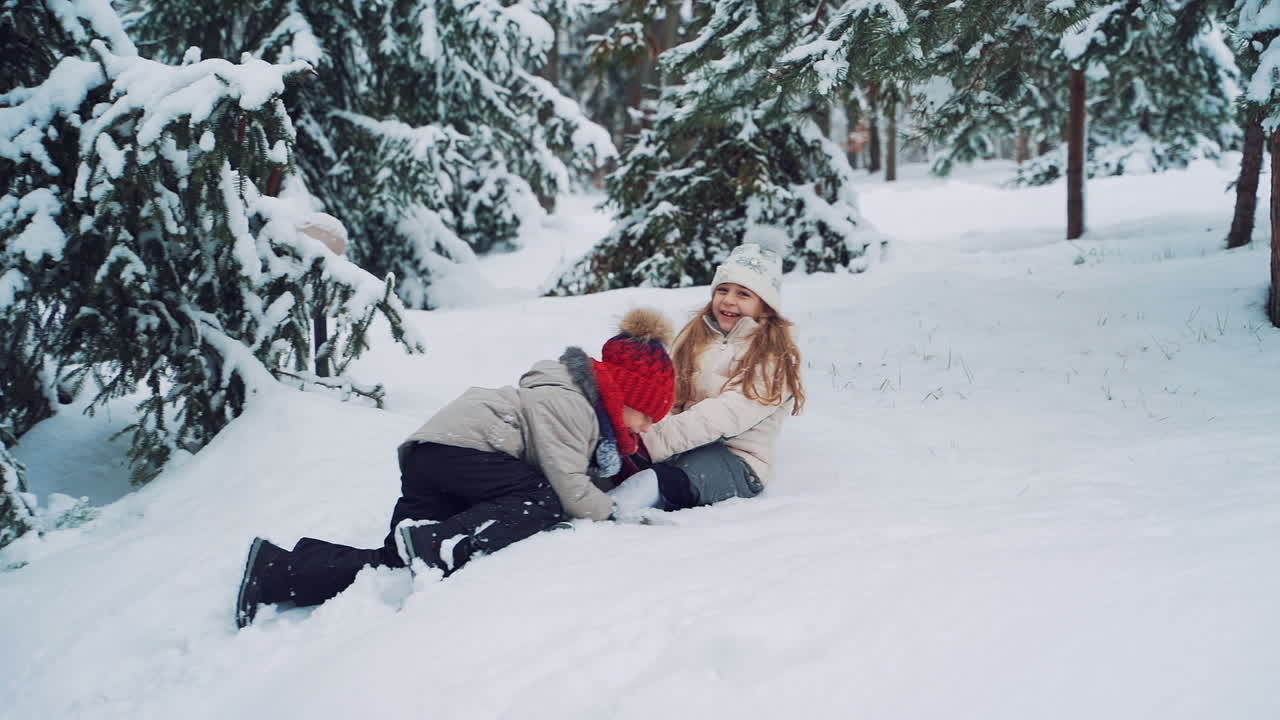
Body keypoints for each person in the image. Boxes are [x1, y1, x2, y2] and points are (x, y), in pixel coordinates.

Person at [235, 308, 675, 628]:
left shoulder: (581, 407)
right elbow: (569, 486)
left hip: (437, 456)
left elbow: (583, 467)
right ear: (628, 398)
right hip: (459, 453)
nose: (649, 425)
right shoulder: (572, 406)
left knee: (396, 563)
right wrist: (616, 515)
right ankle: (435, 543)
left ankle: (278, 572)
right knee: (543, 499)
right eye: (650, 414)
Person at [608, 243, 805, 517]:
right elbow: (668, 397)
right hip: (679, 445)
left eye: (743, 294)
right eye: (722, 290)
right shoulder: (694, 338)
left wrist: (656, 442)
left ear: (766, 307)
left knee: (665, 477)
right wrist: (642, 430)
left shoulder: (776, 356)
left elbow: (727, 413)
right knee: (620, 460)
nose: (728, 300)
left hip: (737, 460)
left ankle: (616, 506)